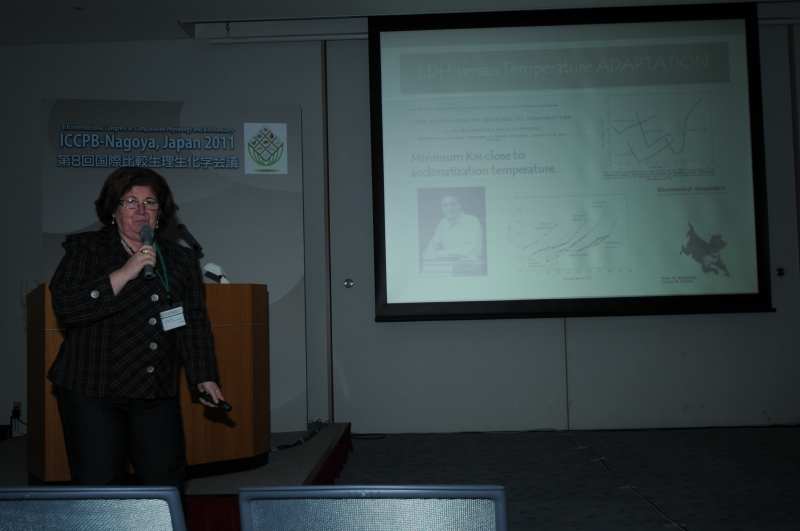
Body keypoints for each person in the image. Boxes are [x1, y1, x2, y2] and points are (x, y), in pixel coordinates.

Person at [47, 167, 224, 491]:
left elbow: (193, 322)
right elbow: (67, 307)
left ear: (160, 211)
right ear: (113, 210)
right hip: (93, 390)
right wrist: (125, 271)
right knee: (99, 484)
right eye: (130, 201)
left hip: (154, 389)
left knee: (166, 483)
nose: (141, 210)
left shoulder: (180, 259)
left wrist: (204, 375)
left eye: (150, 202)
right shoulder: (87, 248)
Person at [422, 194, 483, 260]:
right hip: (448, 264)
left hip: (469, 264)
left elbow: (473, 250)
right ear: (441, 208)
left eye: (453, 204)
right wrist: (427, 255)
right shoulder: (443, 222)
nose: (449, 208)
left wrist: (440, 253)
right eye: (445, 205)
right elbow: (433, 244)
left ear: (460, 205)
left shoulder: (471, 220)